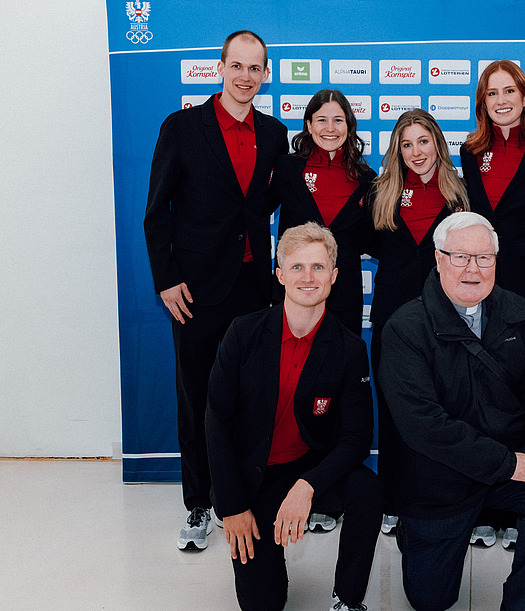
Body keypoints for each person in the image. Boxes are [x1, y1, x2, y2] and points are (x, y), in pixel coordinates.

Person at [379, 212, 525, 611]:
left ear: (496, 261)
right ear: (438, 260)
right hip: (439, 480)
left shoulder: (517, 310)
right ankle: (414, 533)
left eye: (484, 258)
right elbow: (424, 427)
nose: (474, 269)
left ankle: (522, 603)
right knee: (429, 600)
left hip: (509, 464)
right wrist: (512, 464)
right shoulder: (404, 328)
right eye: (461, 257)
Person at [143, 30, 288, 551]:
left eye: (256, 68)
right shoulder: (182, 127)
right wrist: (166, 279)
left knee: (251, 398)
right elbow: (157, 213)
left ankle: (245, 497)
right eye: (237, 66)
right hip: (195, 292)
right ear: (220, 68)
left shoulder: (273, 133)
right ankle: (199, 503)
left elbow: (263, 201)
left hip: (253, 289)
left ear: (265, 74)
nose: (246, 76)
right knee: (197, 396)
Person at [206, 223, 382, 611]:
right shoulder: (242, 333)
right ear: (280, 274)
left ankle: (348, 600)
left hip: (309, 469)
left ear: (334, 277)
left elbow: (356, 437)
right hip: (254, 476)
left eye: (318, 267)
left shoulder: (349, 349)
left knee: (367, 491)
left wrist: (307, 485)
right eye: (298, 267)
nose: (308, 277)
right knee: (263, 604)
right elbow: (216, 421)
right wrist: (232, 507)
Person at [367, 109, 468, 535]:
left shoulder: (460, 194)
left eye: (423, 141)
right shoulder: (380, 193)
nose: (415, 152)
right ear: (397, 150)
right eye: (406, 144)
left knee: (442, 408)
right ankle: (392, 497)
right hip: (392, 316)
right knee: (394, 407)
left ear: (437, 145)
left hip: (443, 317)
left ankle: (442, 496)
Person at [460, 59, 525, 359]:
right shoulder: (470, 151)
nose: (501, 100)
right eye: (492, 93)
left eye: (509, 90)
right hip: (481, 287)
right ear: (483, 102)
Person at [271, 89, 376, 337]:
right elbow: (252, 212)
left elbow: (372, 239)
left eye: (338, 120)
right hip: (295, 290)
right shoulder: (286, 169)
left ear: (349, 126)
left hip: (345, 293)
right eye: (321, 120)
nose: (330, 128)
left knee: (343, 366)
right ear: (309, 124)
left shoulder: (366, 179)